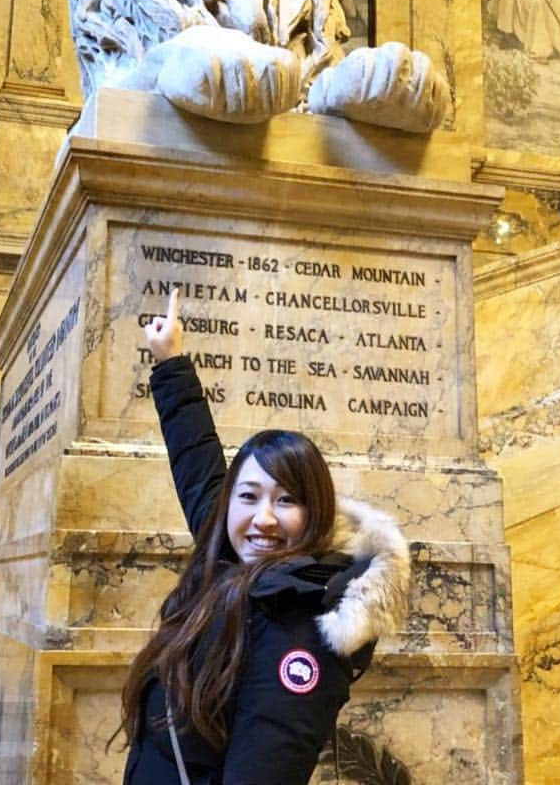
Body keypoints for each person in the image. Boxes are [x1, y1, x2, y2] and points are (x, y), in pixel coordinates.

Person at [120, 289, 408, 784]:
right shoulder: (242, 563)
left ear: (315, 511)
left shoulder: (302, 622)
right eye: (249, 497)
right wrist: (170, 364)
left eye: (287, 500)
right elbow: (199, 470)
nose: (264, 519)